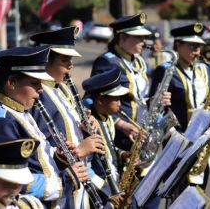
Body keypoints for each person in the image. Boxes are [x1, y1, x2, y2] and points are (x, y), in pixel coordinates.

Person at [0, 46, 88, 208]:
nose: (40, 90)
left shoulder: (18, 110)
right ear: (12, 83)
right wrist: (67, 180)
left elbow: (34, 161)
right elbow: (10, 180)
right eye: (35, 83)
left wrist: (58, 158)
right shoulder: (0, 121)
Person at [30, 27, 117, 208]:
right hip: (59, 187)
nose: (71, 65)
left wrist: (85, 128)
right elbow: (41, 149)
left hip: (80, 182)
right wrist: (80, 150)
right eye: (64, 59)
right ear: (46, 59)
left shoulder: (62, 88)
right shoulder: (38, 95)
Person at [150, 23, 210, 189]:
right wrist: (160, 103)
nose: (196, 51)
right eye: (192, 46)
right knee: (179, 193)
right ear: (178, 45)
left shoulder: (205, 69)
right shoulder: (166, 70)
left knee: (199, 191)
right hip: (179, 141)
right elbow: (153, 107)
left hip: (203, 140)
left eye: (199, 46)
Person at [90, 13, 152, 151]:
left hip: (140, 131)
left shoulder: (139, 61)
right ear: (122, 37)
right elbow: (95, 101)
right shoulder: (107, 61)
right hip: (121, 134)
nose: (144, 41)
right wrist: (122, 125)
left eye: (144, 37)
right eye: (138, 37)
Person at [82, 67, 130, 206]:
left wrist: (122, 154)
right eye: (116, 99)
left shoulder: (107, 118)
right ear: (101, 101)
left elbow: (108, 147)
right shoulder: (90, 126)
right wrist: (108, 191)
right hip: (100, 193)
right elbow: (87, 166)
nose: (120, 104)